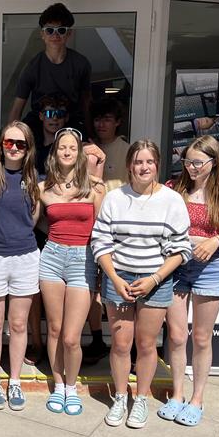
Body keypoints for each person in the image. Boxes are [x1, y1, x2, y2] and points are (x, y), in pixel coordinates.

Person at [91, 140, 191, 429]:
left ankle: (142, 398)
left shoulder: (171, 200)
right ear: (129, 166)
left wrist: (154, 279)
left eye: (149, 161)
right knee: (121, 344)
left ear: (157, 165)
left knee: (146, 344)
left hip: (156, 280)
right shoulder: (114, 198)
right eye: (138, 162)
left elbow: (181, 249)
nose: (143, 167)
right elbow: (101, 242)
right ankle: (121, 396)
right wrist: (114, 278)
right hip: (119, 278)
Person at [161, 136, 219, 426]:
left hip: (210, 268)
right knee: (175, 336)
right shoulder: (173, 189)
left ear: (213, 162)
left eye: (198, 162)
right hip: (175, 267)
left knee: (200, 337)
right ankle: (177, 394)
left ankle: (197, 399)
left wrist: (216, 240)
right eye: (187, 161)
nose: (191, 167)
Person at [38, 127, 105, 415]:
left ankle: (71, 385)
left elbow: (102, 229)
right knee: (54, 328)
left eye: (72, 148)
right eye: (61, 147)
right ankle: (57, 384)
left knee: (71, 336)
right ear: (54, 153)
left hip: (83, 258)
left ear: (79, 153)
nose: (66, 152)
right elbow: (39, 223)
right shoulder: (43, 188)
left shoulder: (95, 187)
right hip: (51, 256)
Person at [0, 122, 41, 411]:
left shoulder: (36, 180)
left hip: (25, 257)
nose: (14, 148)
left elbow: (35, 218)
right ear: (0, 144)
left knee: (18, 324)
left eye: (21, 143)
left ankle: (13, 380)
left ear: (29, 148)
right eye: (8, 142)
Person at [83, 97, 130, 364]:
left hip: (117, 230)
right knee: (91, 287)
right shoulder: (87, 148)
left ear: (118, 122)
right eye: (98, 119)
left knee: (113, 286)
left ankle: (122, 343)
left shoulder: (126, 150)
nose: (102, 124)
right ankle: (97, 337)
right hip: (88, 227)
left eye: (107, 119)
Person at [7, 2, 93, 143]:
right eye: (49, 30)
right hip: (39, 121)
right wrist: (8, 140)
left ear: (69, 33)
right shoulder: (32, 67)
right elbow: (17, 107)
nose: (55, 35)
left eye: (61, 30)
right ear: (42, 34)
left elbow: (86, 103)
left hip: (70, 121)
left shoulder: (81, 64)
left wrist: (90, 133)